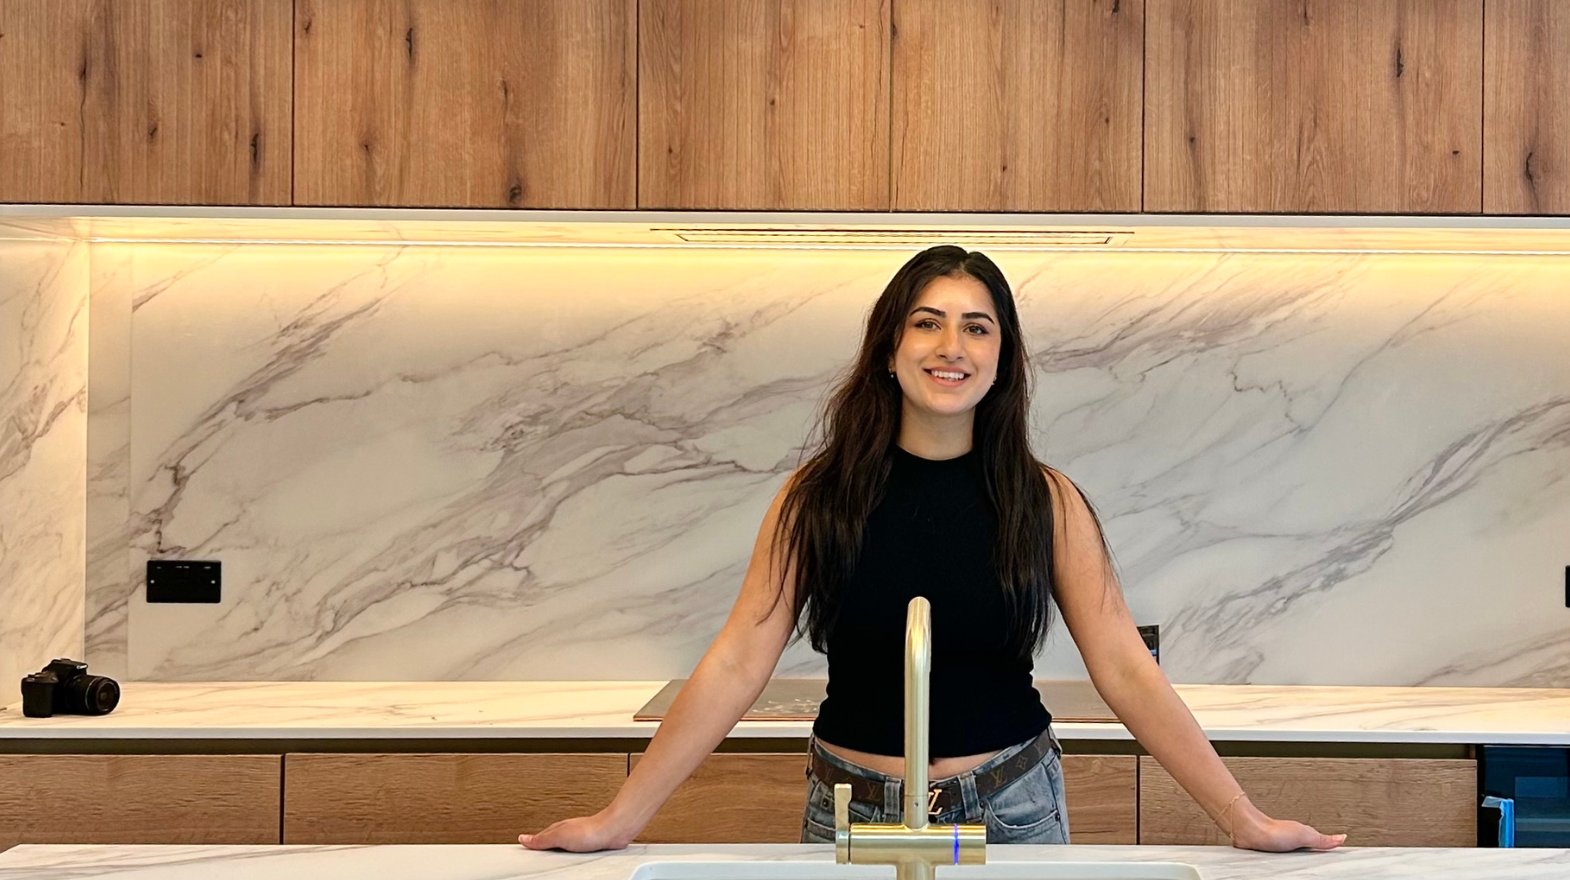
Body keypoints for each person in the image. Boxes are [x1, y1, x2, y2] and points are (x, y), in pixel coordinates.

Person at [521, 245, 1345, 853]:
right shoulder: (816, 498)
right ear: (889, 349)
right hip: (849, 813)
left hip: (1010, 811)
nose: (952, 346)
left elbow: (1126, 666)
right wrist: (620, 816)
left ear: (1001, 359)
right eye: (928, 323)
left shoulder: (1044, 501)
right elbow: (739, 658)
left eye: (976, 328)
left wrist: (1243, 817)